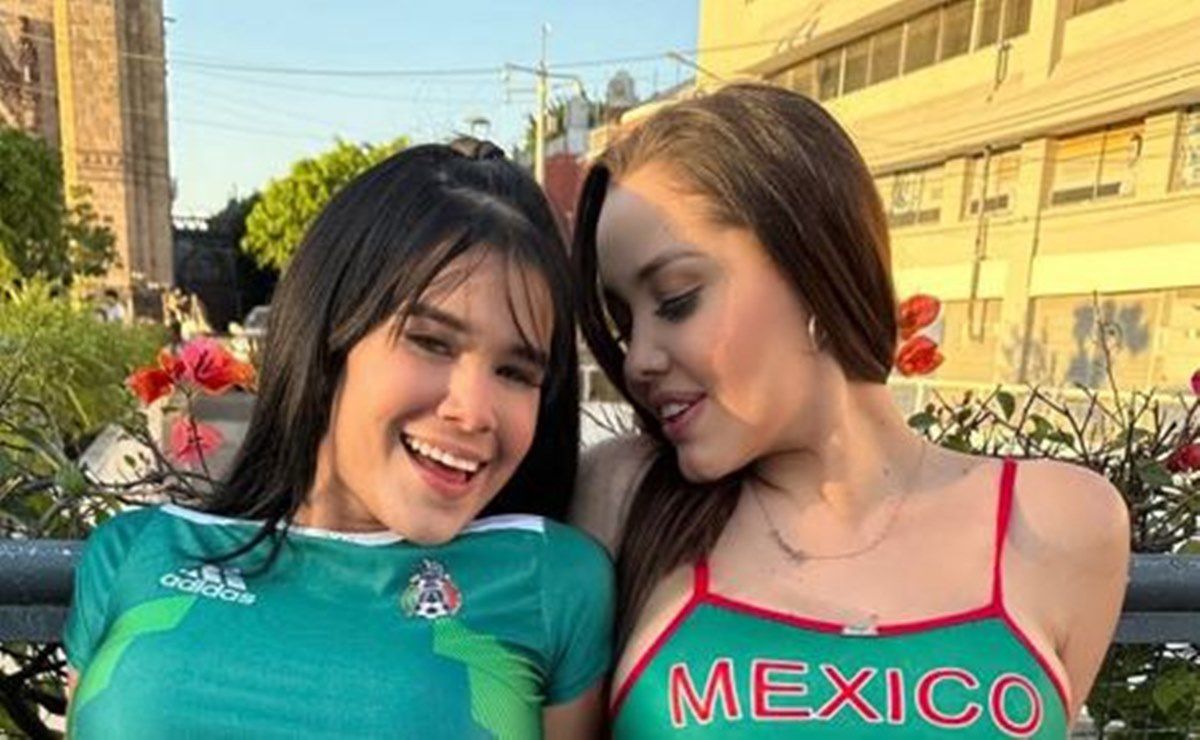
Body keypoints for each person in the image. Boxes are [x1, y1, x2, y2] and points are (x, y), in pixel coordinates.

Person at [571, 84, 1128, 738]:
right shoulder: (624, 497)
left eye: (675, 299)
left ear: (810, 262)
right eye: (624, 322)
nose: (637, 359)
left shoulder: (1064, 524)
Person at [65, 139, 613, 739]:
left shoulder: (549, 581)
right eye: (431, 342)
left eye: (515, 372)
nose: (474, 412)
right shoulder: (134, 553)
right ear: (329, 335)